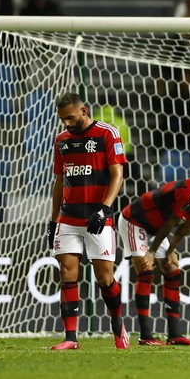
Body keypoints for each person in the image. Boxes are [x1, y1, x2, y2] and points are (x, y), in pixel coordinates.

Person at [118, 162, 190, 346]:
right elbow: (172, 221)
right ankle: (145, 335)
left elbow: (189, 224)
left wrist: (170, 251)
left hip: (156, 227)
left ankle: (174, 335)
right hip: (135, 220)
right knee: (146, 270)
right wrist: (153, 252)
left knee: (172, 270)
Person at [48, 93, 129, 350]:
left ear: (83, 111)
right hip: (68, 218)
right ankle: (71, 338)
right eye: (62, 119)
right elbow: (59, 181)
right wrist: (53, 221)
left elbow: (118, 173)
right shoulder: (61, 141)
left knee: (105, 279)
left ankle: (118, 326)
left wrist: (105, 209)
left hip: (98, 218)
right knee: (67, 273)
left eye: (70, 118)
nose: (66, 124)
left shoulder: (107, 133)